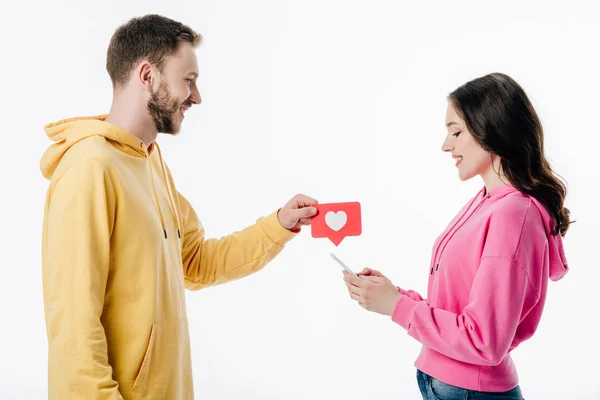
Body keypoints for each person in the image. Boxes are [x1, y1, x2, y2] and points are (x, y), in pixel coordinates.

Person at [40, 14, 317, 400]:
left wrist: (278, 225)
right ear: (148, 75)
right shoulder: (90, 168)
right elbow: (72, 325)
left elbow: (195, 263)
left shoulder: (149, 162)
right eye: (188, 80)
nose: (197, 96)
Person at [343, 72, 571, 400]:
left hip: (469, 391)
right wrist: (396, 296)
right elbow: (460, 311)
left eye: (456, 131)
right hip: (446, 383)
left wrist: (396, 307)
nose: (446, 145)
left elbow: (484, 341)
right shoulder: (487, 202)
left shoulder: (512, 214)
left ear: (491, 129)